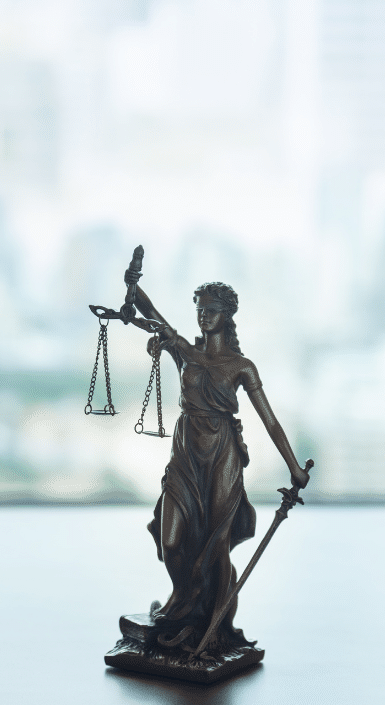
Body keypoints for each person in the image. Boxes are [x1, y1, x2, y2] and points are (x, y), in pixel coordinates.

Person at [119, 273, 310, 656]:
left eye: (211, 310)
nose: (203, 316)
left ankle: (212, 625)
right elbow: (152, 313)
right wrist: (133, 287)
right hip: (186, 455)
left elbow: (269, 421)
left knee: (215, 545)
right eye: (199, 310)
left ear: (227, 315)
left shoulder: (242, 366)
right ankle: (184, 601)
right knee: (171, 539)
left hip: (222, 457)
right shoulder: (184, 351)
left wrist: (294, 467)